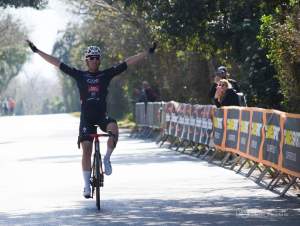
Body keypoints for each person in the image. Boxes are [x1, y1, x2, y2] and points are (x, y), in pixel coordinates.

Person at [26, 40, 157, 198]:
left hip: (102, 117)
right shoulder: (79, 75)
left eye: (96, 57)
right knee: (87, 149)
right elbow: (57, 62)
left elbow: (127, 63)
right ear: (86, 60)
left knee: (113, 128)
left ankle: (107, 159)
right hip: (86, 120)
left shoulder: (106, 74)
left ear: (99, 60)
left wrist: (147, 52)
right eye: (91, 57)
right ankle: (86, 185)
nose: (94, 60)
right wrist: (37, 51)